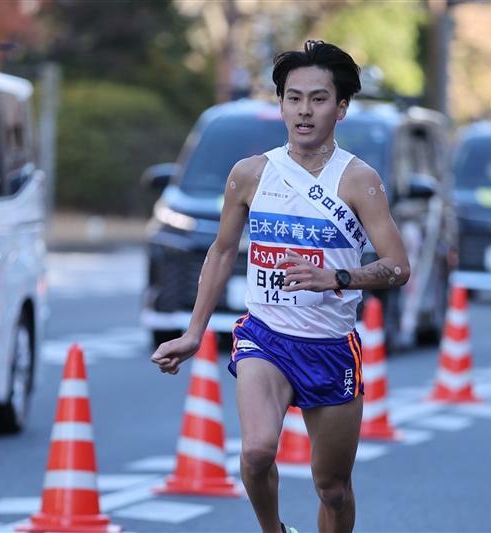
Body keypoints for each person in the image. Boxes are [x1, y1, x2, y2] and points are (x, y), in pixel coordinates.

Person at [151, 40, 410, 533]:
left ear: (341, 107)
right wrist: (193, 333)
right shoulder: (249, 175)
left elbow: (398, 267)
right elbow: (222, 251)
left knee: (332, 488)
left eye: (317, 98)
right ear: (281, 103)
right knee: (255, 453)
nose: (304, 111)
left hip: (331, 347)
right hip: (265, 335)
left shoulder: (359, 181)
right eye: (294, 98)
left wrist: (338, 276)